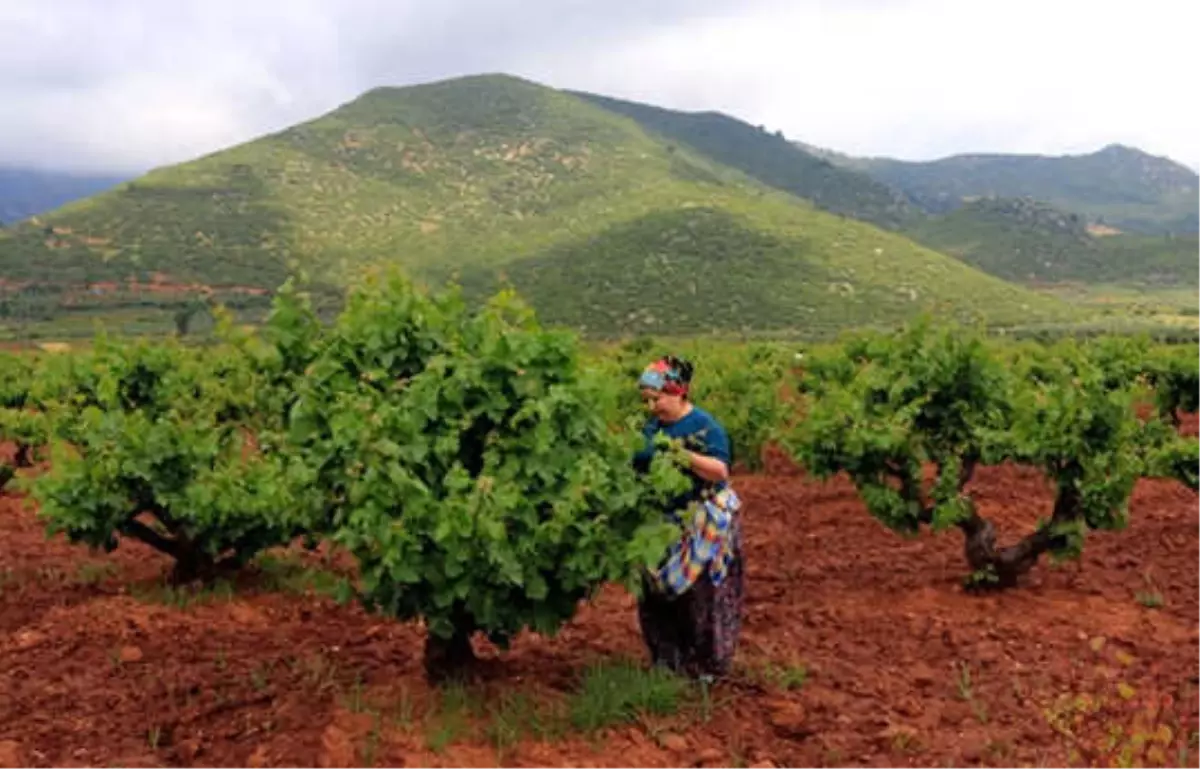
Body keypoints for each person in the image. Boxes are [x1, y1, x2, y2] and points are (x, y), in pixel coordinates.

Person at [631, 355, 744, 680]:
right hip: (659, 521)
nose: (652, 407)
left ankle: (705, 668)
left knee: (701, 596)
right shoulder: (649, 427)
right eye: (647, 401)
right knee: (655, 595)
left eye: (657, 399)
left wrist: (681, 454)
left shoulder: (705, 427)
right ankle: (666, 663)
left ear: (678, 392)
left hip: (699, 519)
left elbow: (720, 469)